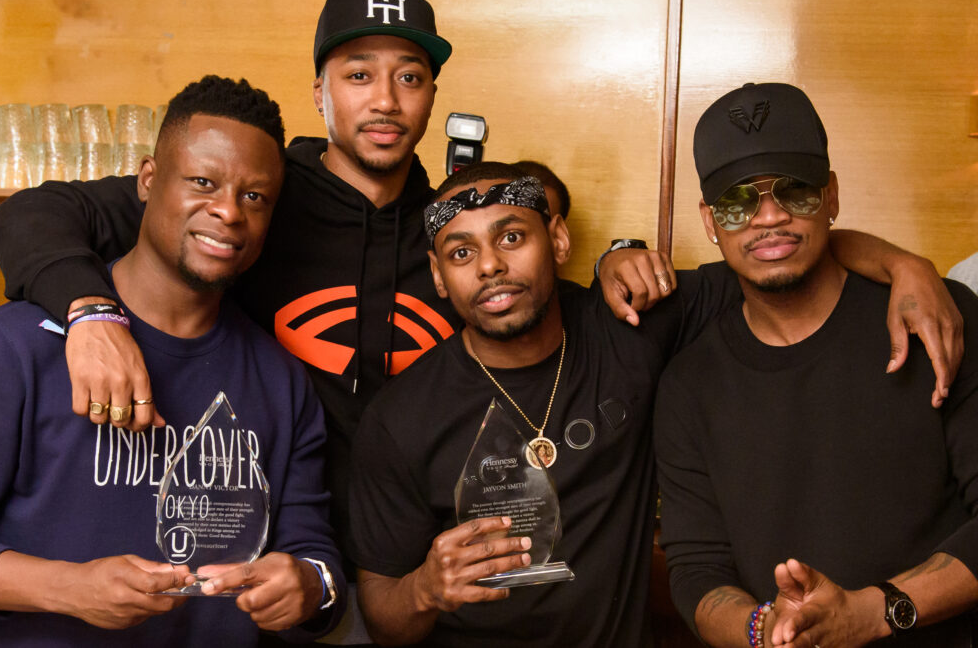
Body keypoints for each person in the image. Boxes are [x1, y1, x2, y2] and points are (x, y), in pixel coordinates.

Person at [0, 0, 454, 619]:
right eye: (359, 75)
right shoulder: (251, 190)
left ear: (432, 96)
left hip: (402, 575)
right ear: (320, 92)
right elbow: (33, 215)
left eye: (410, 77)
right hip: (249, 572)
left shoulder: (452, 230)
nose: (385, 101)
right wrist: (92, 313)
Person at [347, 162, 958, 647]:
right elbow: (381, 615)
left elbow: (775, 251)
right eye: (461, 253)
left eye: (512, 237)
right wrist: (424, 589)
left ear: (557, 239)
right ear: (437, 274)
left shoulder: (630, 325)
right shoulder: (400, 418)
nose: (489, 266)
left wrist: (906, 267)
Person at [0, 76, 344, 646]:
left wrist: (310, 586)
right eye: (203, 182)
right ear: (147, 179)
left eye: (254, 197)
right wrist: (68, 588)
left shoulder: (281, 379)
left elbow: (314, 556)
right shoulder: (13, 347)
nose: (228, 211)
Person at [654, 82, 978, 648]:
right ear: (710, 220)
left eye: (795, 191)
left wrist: (875, 612)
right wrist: (767, 633)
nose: (769, 216)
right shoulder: (688, 384)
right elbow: (697, 570)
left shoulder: (935, 317)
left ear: (831, 197)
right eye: (737, 201)